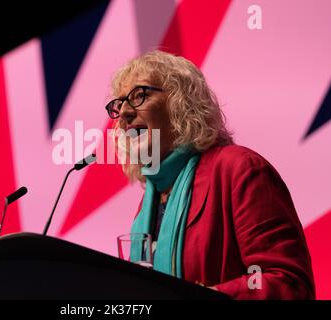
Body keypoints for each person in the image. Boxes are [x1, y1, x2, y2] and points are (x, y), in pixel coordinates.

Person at [105, 50, 315, 299]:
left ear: (180, 103)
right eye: (119, 105)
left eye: (139, 95)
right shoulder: (149, 202)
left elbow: (289, 283)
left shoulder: (239, 169)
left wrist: (206, 296)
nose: (125, 113)